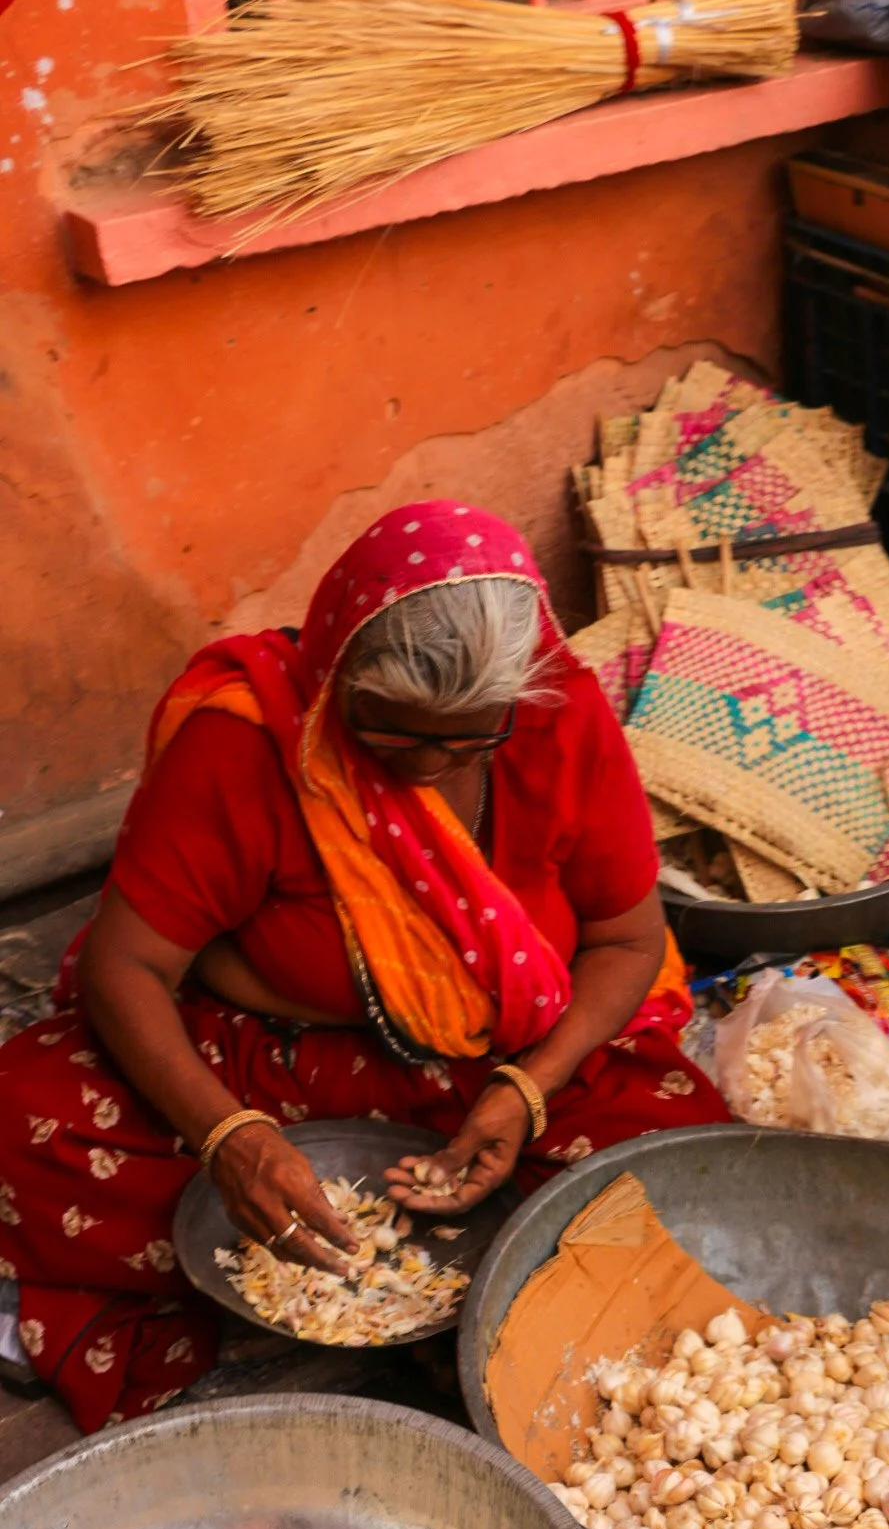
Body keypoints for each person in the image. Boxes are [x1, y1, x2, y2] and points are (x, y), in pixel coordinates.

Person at [0, 503, 729, 1432]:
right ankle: (491, 1303)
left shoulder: (557, 714)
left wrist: (529, 1092)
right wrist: (230, 1140)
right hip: (270, 1058)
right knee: (26, 1113)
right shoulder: (251, 741)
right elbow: (125, 969)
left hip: (503, 1066)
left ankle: (461, 1297)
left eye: (466, 741)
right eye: (391, 736)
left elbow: (628, 941)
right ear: (336, 673)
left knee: (682, 1159)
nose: (426, 766)